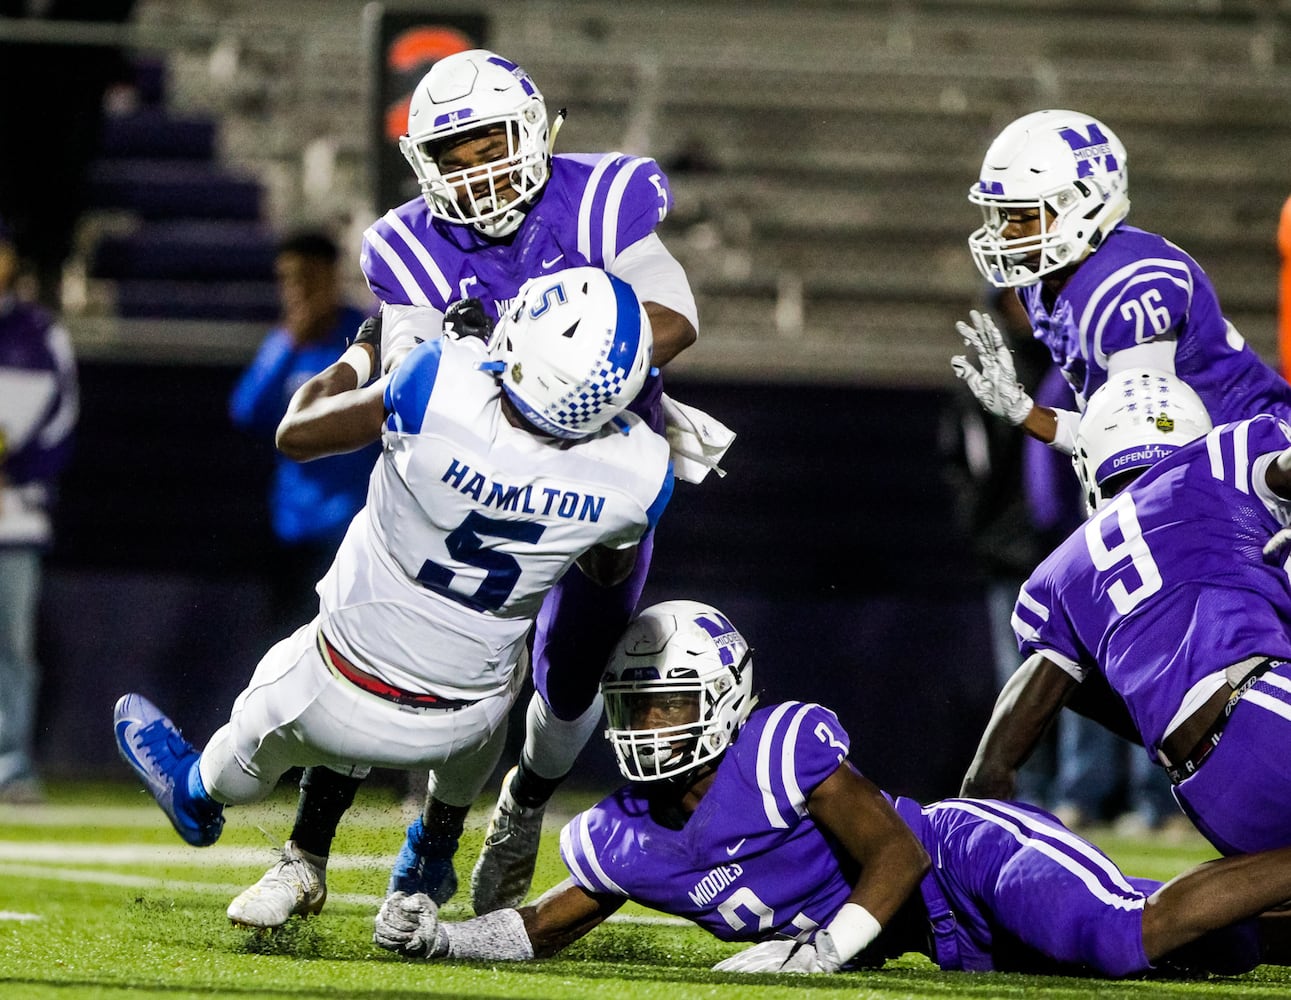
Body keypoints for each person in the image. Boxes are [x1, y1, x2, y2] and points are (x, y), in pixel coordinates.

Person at [276, 46, 726, 926]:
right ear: (423, 166)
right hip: (473, 477)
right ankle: (309, 851)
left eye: (490, 144)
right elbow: (406, 375)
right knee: (387, 644)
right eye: (455, 155)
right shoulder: (407, 247)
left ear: (534, 131)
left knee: (567, 680)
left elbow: (673, 323)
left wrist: (534, 346)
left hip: (597, 470)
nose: (478, 171)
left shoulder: (599, 200)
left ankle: (522, 802)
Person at [112, 267, 675, 930]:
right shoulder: (640, 471)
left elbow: (297, 432)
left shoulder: (440, 380)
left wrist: (364, 351)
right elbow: (608, 572)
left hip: (328, 690)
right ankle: (432, 846)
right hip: (464, 723)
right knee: (499, 662)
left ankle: (198, 793)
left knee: (237, 758)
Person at [372, 599, 1291, 979]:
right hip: (937, 941)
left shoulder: (776, 747)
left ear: (724, 697)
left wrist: (823, 952)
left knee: (1129, 932)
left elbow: (898, 849)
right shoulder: (624, 835)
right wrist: (444, 940)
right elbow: (547, 923)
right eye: (634, 708)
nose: (645, 728)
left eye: (665, 705)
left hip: (957, 864)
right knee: (1214, 954)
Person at [962, 367, 1291, 857]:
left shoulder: (1057, 575)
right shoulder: (1224, 459)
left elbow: (988, 773)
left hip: (1206, 789)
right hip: (1268, 710)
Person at [951, 108, 1291, 461]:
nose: (1007, 232)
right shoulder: (1042, 286)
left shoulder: (1129, 282)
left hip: (1260, 463)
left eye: (1023, 216)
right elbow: (1115, 433)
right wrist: (1027, 414)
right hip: (1207, 467)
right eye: (1002, 215)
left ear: (1079, 205)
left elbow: (1146, 447)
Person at [229, 229, 379, 631]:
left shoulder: (365, 338)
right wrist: (287, 345)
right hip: (293, 526)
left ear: (331, 277)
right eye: (288, 280)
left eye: (307, 278)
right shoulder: (283, 343)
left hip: (356, 525)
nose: (297, 291)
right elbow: (246, 412)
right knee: (286, 642)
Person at [0, 218, 78, 802]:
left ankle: (12, 762)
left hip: (15, 517)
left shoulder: (40, 332)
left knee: (14, 648)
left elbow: (62, 416)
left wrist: (17, 469)